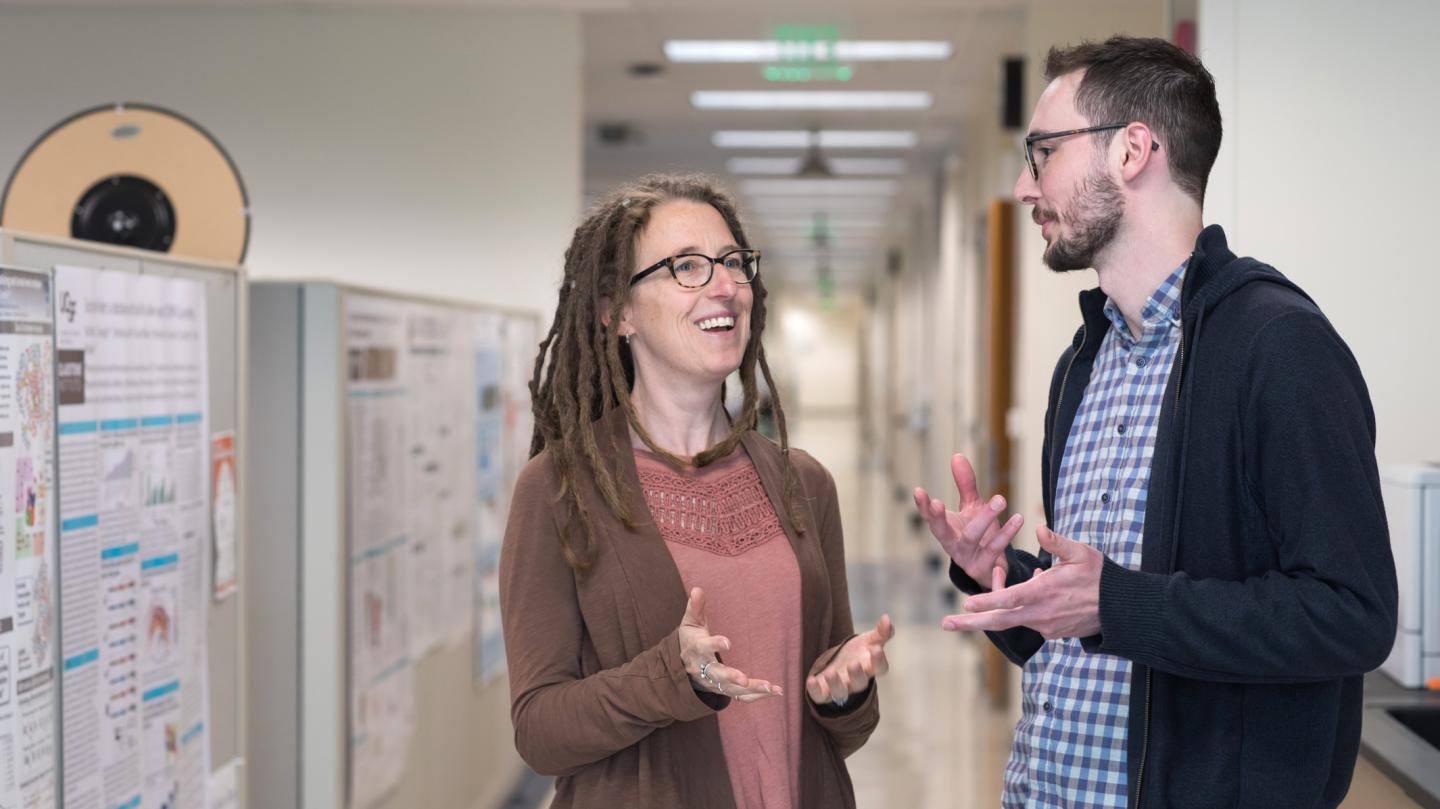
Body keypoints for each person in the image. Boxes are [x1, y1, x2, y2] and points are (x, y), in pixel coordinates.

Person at [913, 36, 1396, 808]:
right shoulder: (1086, 359)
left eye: (1041, 152)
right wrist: (1003, 581)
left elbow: (1353, 615)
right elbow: (1085, 635)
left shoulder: (1280, 348)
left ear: (1134, 149)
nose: (1022, 186)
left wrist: (1114, 604)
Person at [500, 173, 892, 809]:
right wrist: (671, 678)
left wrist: (844, 692)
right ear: (616, 310)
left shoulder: (804, 484)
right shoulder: (559, 488)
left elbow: (833, 729)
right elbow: (540, 732)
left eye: (734, 263)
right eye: (687, 266)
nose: (726, 286)